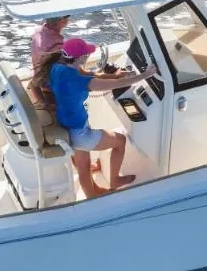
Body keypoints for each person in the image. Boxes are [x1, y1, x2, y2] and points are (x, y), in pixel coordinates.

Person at [49, 38, 158, 197]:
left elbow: (90, 76)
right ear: (81, 58)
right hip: (80, 134)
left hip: (65, 128)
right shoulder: (80, 81)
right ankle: (115, 180)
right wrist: (145, 74)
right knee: (120, 141)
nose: (88, 56)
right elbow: (118, 85)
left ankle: (91, 198)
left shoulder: (57, 69)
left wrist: (115, 75)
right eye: (86, 54)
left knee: (83, 168)